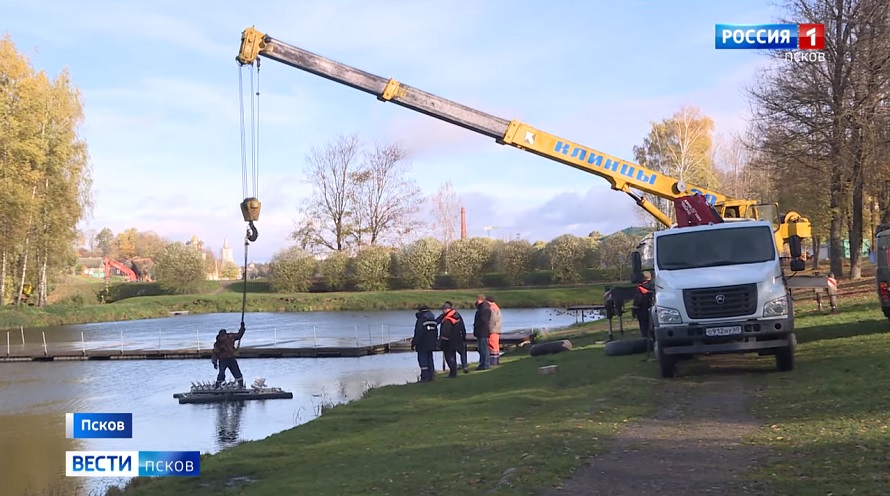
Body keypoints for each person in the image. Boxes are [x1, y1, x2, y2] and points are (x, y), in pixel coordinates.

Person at [211, 322, 246, 389]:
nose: (223, 337)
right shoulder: (218, 344)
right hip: (223, 360)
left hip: (231, 358)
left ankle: (240, 386)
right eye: (222, 336)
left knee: (237, 373)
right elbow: (214, 353)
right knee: (221, 374)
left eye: (223, 336)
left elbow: (239, 335)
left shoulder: (230, 337)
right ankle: (218, 386)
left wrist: (242, 328)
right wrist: (214, 362)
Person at [438, 301, 468, 377]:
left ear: (446, 309)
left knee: (449, 356)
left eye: (443, 309)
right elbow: (462, 326)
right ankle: (465, 366)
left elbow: (445, 331)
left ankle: (453, 372)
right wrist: (464, 336)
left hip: (449, 340)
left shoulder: (447, 318)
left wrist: (441, 340)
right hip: (458, 338)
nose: (443, 311)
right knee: (462, 352)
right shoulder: (457, 315)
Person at [411, 305, 438, 382]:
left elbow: (418, 333)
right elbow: (436, 333)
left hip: (422, 344)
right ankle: (431, 376)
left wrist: (414, 343)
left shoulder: (421, 320)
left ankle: (425, 377)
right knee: (430, 360)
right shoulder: (433, 320)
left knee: (422, 361)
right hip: (431, 344)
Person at [473, 294, 492, 370]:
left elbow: (484, 320)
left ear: (480, 299)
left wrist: (477, 324)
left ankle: (486, 364)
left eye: (477, 299)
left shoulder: (484, 309)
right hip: (480, 331)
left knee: (484, 348)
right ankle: (482, 363)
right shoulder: (482, 308)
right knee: (481, 348)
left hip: (483, 331)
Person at [632, 271, 654, 339]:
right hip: (654, 309)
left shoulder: (640, 288)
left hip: (642, 310)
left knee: (644, 326)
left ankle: (646, 340)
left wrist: (634, 310)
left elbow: (638, 299)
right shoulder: (655, 286)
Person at [486, 295, 503, 366]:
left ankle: (493, 362)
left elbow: (493, 319)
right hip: (496, 330)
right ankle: (495, 361)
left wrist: (488, 328)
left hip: (493, 330)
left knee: (492, 345)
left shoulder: (492, 308)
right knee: (495, 346)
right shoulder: (496, 307)